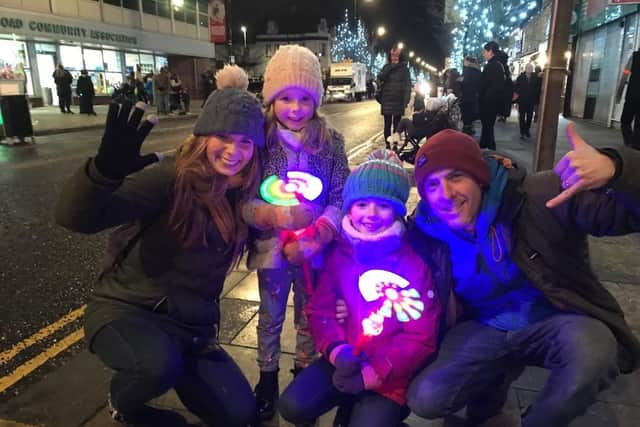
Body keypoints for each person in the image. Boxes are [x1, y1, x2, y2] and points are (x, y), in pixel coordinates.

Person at [54, 65, 265, 427]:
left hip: (191, 330)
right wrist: (102, 172)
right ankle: (124, 401)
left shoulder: (241, 193)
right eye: (224, 138)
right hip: (129, 311)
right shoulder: (172, 177)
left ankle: (174, 365)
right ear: (203, 137)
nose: (235, 151)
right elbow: (77, 218)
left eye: (246, 141)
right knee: (156, 366)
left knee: (239, 415)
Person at [405, 127, 640, 427]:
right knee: (426, 398)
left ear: (479, 177)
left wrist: (617, 169)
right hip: (483, 326)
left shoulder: (540, 196)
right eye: (432, 185)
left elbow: (629, 214)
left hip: (555, 320)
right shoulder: (425, 230)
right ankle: (488, 405)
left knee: (593, 352)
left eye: (456, 177)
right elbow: (384, 257)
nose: (446, 194)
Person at [278, 149, 441, 427]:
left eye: (383, 205)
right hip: (344, 358)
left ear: (398, 209)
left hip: (389, 375)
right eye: (362, 204)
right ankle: (349, 407)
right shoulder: (340, 253)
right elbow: (320, 309)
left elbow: (421, 335)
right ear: (349, 206)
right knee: (292, 406)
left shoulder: (412, 263)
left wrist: (375, 373)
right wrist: (336, 350)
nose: (371, 214)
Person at [241, 44, 350, 422]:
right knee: (270, 316)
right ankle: (267, 378)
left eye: (304, 99)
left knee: (309, 315)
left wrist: (319, 233)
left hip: (314, 251)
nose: (295, 108)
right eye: (285, 98)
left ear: (316, 100)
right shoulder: (260, 141)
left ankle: (303, 373)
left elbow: (340, 194)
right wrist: (273, 215)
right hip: (272, 250)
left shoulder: (331, 142)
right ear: (271, 99)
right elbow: (246, 199)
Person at [378, 48, 411, 148]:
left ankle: (395, 144)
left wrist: (406, 100)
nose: (394, 58)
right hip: (387, 100)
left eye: (397, 55)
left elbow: (407, 85)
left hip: (399, 100)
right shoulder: (386, 67)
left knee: (397, 125)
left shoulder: (404, 69)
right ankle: (388, 144)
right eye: (392, 55)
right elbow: (381, 78)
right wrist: (390, 67)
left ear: (400, 56)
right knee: (387, 124)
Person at [478, 42, 504, 149]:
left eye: (485, 51)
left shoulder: (491, 66)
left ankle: (489, 146)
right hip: (493, 101)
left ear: (491, 51)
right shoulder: (499, 65)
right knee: (488, 126)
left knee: (487, 125)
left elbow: (485, 84)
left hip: (488, 102)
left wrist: (482, 97)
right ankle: (484, 144)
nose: (484, 54)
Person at [621, 50, 640, 149]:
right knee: (638, 123)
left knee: (625, 120)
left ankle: (629, 141)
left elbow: (625, 73)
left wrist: (619, 93)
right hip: (632, 96)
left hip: (632, 95)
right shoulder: (635, 56)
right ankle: (636, 144)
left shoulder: (635, 56)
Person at [515, 63, 539, 139]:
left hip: (531, 100)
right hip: (522, 100)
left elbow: (538, 87)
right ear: (525, 69)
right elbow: (516, 87)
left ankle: (527, 129)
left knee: (529, 116)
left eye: (531, 68)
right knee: (521, 117)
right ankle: (522, 131)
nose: (529, 69)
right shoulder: (520, 77)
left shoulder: (535, 77)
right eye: (528, 68)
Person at [460, 56, 481, 136]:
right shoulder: (478, 71)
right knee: (471, 114)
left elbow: (464, 82)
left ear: (468, 62)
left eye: (464, 61)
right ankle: (470, 128)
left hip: (466, 96)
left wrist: (460, 81)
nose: (464, 63)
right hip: (475, 96)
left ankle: (466, 130)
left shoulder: (466, 71)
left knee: (466, 114)